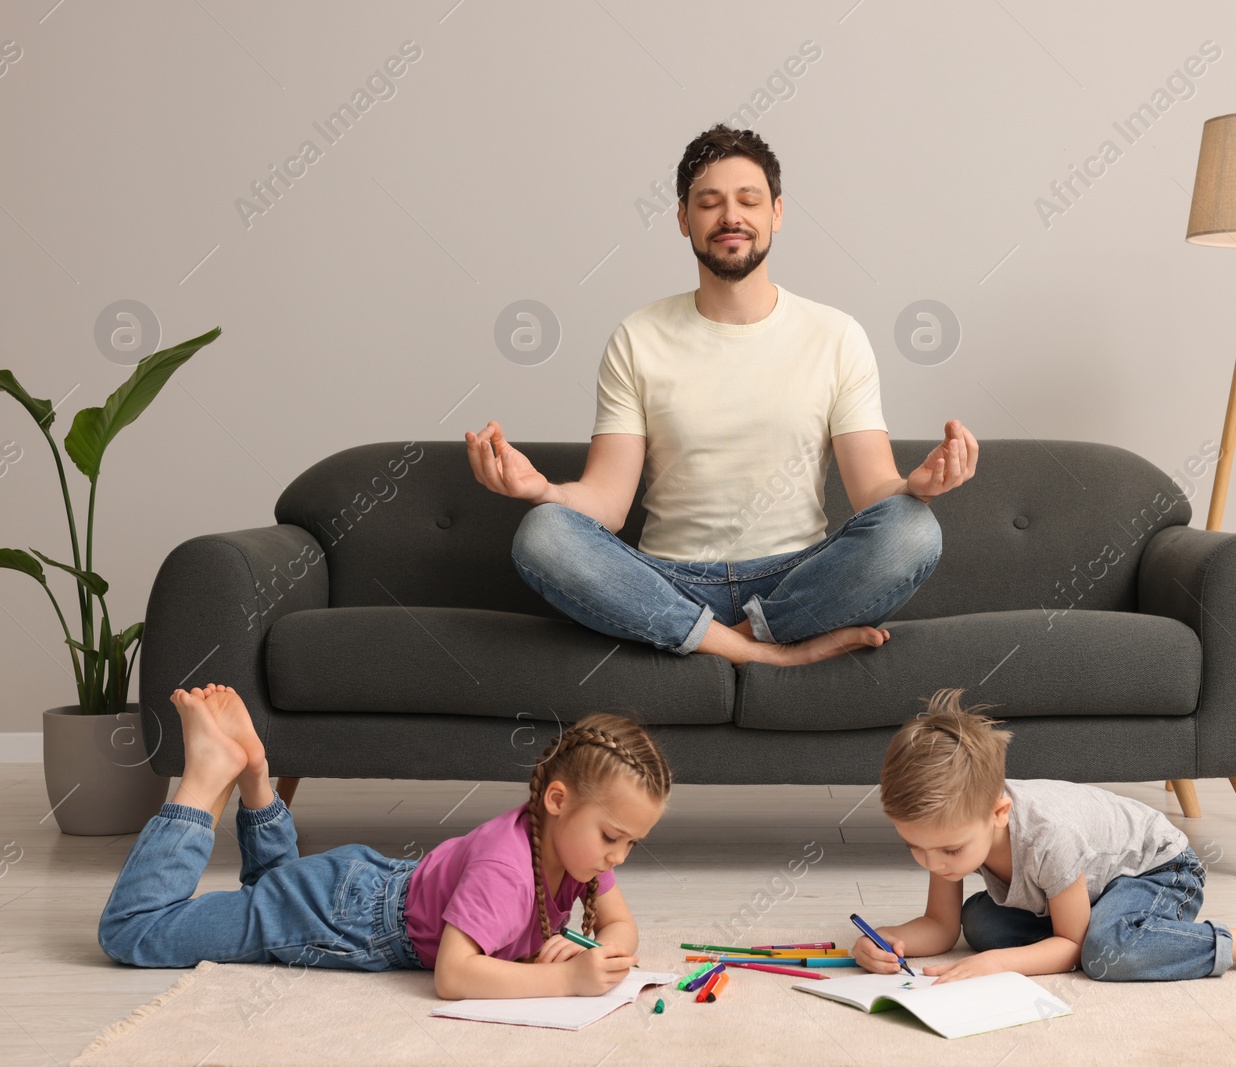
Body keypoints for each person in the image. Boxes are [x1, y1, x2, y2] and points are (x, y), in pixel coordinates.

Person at [466, 123, 980, 668]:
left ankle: (725, 637)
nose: (730, 216)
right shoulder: (638, 337)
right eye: (709, 202)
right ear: (685, 220)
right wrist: (541, 489)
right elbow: (607, 505)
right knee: (543, 533)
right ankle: (765, 652)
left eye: (748, 200)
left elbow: (872, 492)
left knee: (912, 530)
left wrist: (914, 488)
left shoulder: (837, 335)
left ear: (776, 213)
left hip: (797, 578)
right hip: (667, 580)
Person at [97, 685, 671, 999]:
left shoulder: (579, 848)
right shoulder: (508, 866)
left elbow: (621, 925)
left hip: (363, 888)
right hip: (337, 917)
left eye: (631, 844)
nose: (617, 856)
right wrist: (564, 979)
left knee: (270, 888)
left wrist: (604, 951)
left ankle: (254, 774)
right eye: (613, 838)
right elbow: (454, 976)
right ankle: (204, 778)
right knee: (135, 934)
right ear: (557, 801)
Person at [852, 688, 1236, 985]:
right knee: (979, 921)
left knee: (1103, 953)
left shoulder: (1049, 835)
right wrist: (890, 940)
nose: (934, 862)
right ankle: (1118, 926)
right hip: (1085, 888)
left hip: (1158, 871)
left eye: (949, 850)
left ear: (999, 813)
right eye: (914, 846)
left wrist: (998, 966)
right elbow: (941, 927)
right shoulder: (955, 832)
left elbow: (1072, 946)